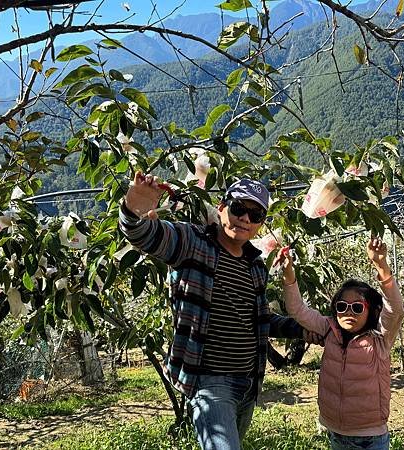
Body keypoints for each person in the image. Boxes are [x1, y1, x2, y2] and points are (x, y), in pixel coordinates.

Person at [119, 171, 320, 450]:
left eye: (256, 215)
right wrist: (133, 209)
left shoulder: (255, 267)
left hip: (250, 381)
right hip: (210, 382)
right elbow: (143, 234)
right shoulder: (192, 242)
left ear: (261, 224)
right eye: (239, 209)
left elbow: (261, 320)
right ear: (222, 208)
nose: (246, 219)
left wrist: (305, 329)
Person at [274, 237, 404, 450]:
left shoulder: (380, 338)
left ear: (371, 311)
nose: (348, 312)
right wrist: (289, 274)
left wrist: (381, 266)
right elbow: (297, 309)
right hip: (336, 432)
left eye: (357, 307)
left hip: (371, 437)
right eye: (342, 306)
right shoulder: (328, 329)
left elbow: (396, 310)